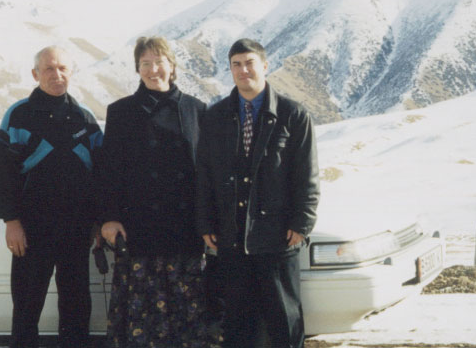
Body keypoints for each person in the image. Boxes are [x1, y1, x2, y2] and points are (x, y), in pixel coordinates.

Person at [195, 39, 320, 348]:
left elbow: (307, 176)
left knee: (284, 323)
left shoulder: (293, 115)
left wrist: (302, 223)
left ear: (265, 66)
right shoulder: (215, 117)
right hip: (232, 239)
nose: (243, 70)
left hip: (277, 238)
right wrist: (206, 223)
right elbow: (205, 176)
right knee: (239, 325)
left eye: (249, 63)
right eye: (236, 64)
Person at [100, 36, 217, 348]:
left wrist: (210, 222)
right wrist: (109, 219)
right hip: (139, 229)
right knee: (144, 318)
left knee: (188, 313)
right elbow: (109, 172)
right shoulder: (121, 112)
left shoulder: (197, 110)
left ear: (172, 65)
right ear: (138, 69)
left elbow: (207, 175)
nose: (154, 69)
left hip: (186, 230)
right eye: (146, 63)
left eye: (159, 61)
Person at [0, 45, 103, 348]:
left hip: (77, 230)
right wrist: (11, 221)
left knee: (77, 307)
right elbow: (2, 174)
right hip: (31, 230)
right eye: (49, 69)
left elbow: (100, 175)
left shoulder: (85, 117)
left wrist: (97, 222)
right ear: (35, 74)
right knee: (27, 309)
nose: (57, 74)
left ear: (71, 72)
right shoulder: (18, 115)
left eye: (63, 68)